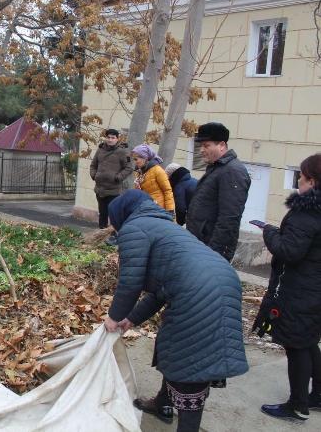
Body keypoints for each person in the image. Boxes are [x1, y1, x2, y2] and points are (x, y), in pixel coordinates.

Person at [104, 190, 249, 432]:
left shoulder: (133, 228)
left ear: (121, 215)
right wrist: (131, 318)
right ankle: (163, 402)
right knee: (174, 347)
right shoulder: (163, 226)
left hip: (199, 290)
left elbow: (130, 282)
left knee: (190, 362)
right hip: (223, 282)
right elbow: (162, 289)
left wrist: (114, 317)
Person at [254, 154, 321, 422]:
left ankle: (297, 405)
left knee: (296, 345)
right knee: (309, 342)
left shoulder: (307, 212)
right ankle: (317, 396)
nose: (298, 183)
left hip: (301, 292)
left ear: (312, 181)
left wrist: (269, 231)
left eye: (301, 178)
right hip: (313, 289)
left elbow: (289, 251)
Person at [186, 122, 250, 262]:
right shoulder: (217, 168)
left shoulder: (232, 171)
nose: (201, 150)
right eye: (201, 145)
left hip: (210, 252)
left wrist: (213, 254)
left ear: (221, 145)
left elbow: (229, 218)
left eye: (206, 145)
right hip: (200, 246)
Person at [89, 128, 133, 229]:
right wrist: (94, 175)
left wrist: (118, 177)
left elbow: (129, 168)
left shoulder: (123, 152)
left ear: (117, 139)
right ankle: (101, 234)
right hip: (100, 189)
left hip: (114, 191)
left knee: (114, 215)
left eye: (113, 138)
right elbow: (93, 165)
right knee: (102, 214)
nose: (110, 140)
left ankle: (114, 236)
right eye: (108, 137)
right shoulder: (100, 150)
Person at [131, 144, 175, 215]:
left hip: (159, 210)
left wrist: (170, 210)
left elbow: (167, 191)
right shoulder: (139, 172)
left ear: (144, 158)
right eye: (134, 159)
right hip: (146, 208)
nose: (135, 162)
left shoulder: (158, 170)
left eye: (136, 159)